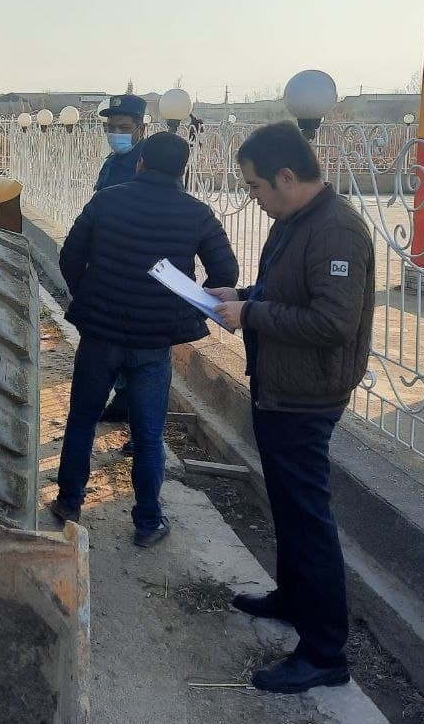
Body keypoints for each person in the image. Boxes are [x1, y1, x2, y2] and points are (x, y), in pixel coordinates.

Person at [209, 121, 374, 694]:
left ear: (285, 176)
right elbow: (285, 291)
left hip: (307, 397)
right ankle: (292, 598)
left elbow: (333, 322)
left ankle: (325, 653)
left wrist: (251, 315)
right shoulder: (296, 220)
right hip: (280, 387)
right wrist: (241, 296)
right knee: (286, 503)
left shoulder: (336, 231)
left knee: (308, 519)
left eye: (255, 187)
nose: (253, 197)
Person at [51, 132, 238, 547]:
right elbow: (226, 272)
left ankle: (68, 503)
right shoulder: (197, 214)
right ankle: (148, 522)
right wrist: (187, 306)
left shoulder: (106, 201)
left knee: (82, 420)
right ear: (183, 171)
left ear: (140, 163)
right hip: (154, 342)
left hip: (100, 336)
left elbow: (70, 256)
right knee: (149, 435)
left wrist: (88, 296)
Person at [94, 93, 148, 425]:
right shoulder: (112, 162)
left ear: (141, 128)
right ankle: (123, 400)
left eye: (124, 127)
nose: (116, 134)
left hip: (134, 267)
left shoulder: (148, 165)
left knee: (136, 347)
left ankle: (139, 420)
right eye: (111, 127)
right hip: (108, 262)